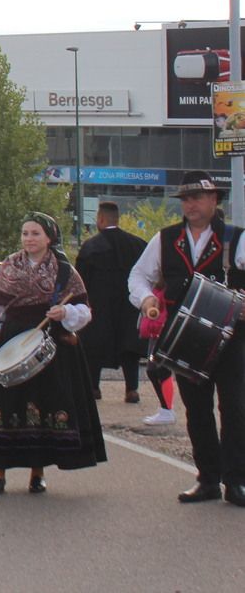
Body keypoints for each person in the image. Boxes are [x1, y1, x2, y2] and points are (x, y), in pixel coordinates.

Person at [128, 171, 245, 505]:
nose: (190, 204)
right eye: (186, 199)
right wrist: (146, 299)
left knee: (235, 408)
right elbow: (138, 276)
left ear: (214, 200)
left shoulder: (236, 238)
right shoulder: (166, 239)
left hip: (230, 338)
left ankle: (237, 481)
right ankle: (207, 479)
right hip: (187, 338)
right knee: (197, 409)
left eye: (197, 198)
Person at [0, 211, 105, 494]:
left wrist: (65, 311)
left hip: (51, 344)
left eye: (35, 233)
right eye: (25, 233)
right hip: (13, 342)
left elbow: (85, 312)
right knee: (6, 405)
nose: (29, 239)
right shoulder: (9, 266)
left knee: (44, 405)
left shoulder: (65, 270)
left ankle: (37, 473)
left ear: (49, 237)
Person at [76, 201, 147, 403]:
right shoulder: (138, 244)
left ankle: (93, 388)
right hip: (129, 306)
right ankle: (132, 389)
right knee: (129, 347)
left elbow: (80, 280)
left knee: (93, 347)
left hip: (99, 306)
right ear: (118, 219)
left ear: (100, 219)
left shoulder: (91, 247)